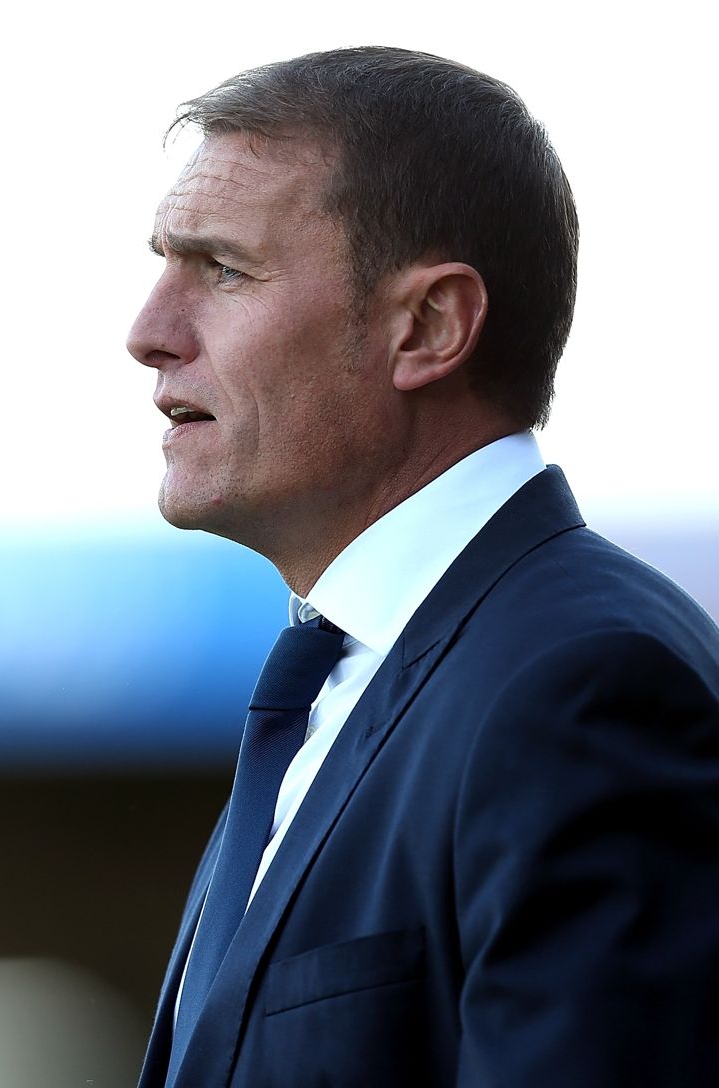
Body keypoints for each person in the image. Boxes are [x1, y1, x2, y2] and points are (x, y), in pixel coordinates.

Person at [125, 47, 719, 1087]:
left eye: (222, 269)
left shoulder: (580, 687)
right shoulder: (340, 684)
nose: (149, 334)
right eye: (165, 264)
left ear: (428, 325)